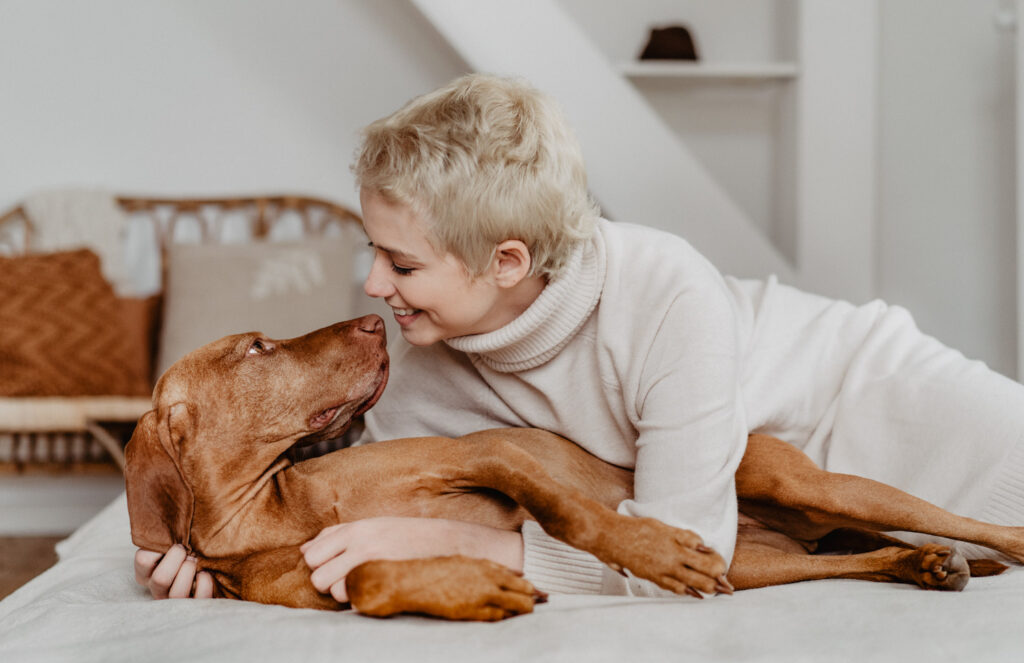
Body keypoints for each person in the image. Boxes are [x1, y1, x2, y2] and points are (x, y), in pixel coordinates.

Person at [136, 73, 1024, 603]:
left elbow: (684, 557)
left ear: (507, 261)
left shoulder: (668, 292)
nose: (372, 286)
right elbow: (338, 508)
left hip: (868, 399)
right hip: (753, 495)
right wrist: (197, 558)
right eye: (374, 250)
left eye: (401, 265)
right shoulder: (413, 366)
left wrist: (493, 554)